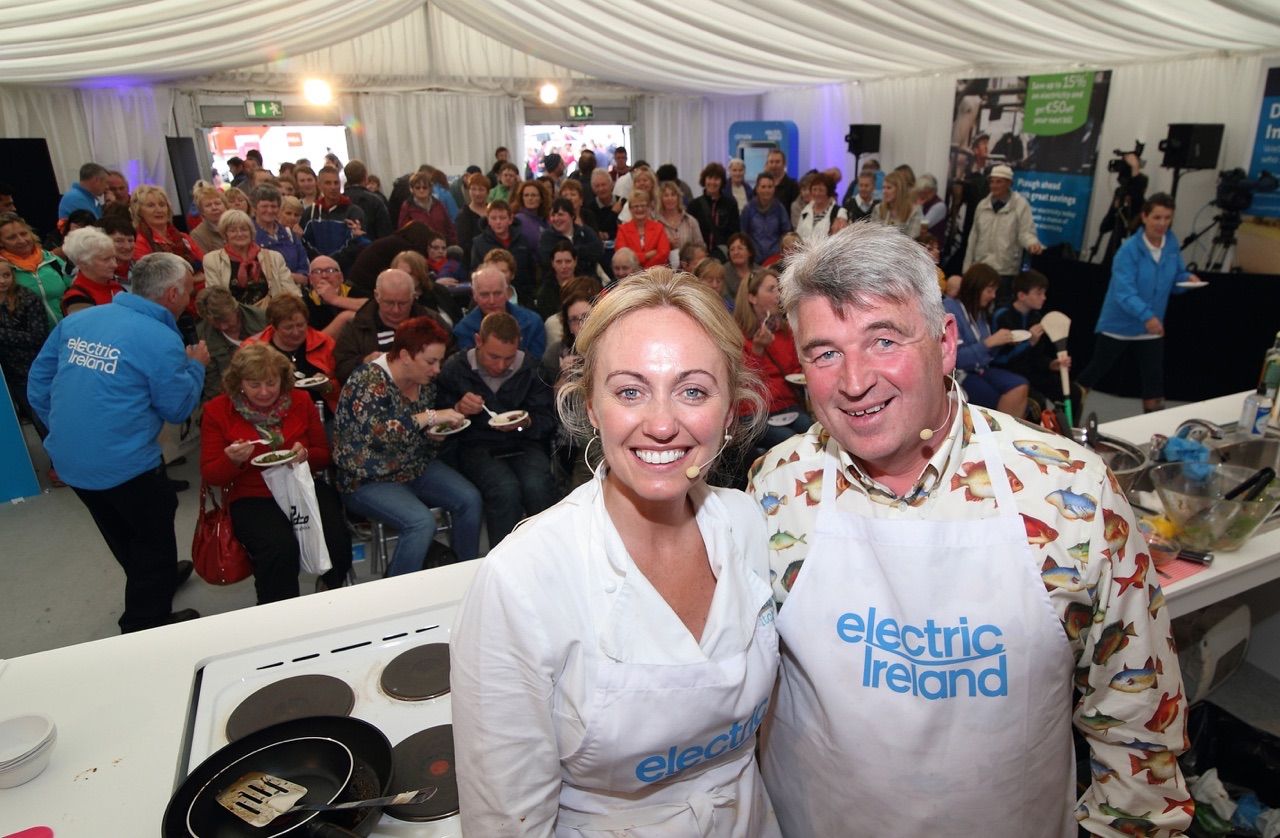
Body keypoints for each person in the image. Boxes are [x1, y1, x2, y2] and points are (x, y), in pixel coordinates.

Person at [747, 222, 1190, 838]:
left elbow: (1137, 713)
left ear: (946, 342)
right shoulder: (777, 484)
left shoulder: (1071, 495)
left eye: (883, 340)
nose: (853, 382)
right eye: (825, 352)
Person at [452, 269, 779, 836]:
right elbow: (507, 819)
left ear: (730, 411)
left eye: (693, 391)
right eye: (630, 391)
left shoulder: (747, 524)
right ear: (591, 406)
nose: (660, 424)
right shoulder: (524, 577)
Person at [28, 253, 209, 632]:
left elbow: (38, 384)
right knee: (154, 534)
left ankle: (152, 579)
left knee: (118, 529)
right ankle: (145, 621)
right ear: (172, 293)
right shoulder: (161, 338)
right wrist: (195, 366)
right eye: (189, 290)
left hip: (71, 461)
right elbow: (176, 409)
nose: (190, 298)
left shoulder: (80, 320)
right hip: (127, 466)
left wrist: (71, 431)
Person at [199, 343, 352, 601]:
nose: (264, 392)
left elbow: (323, 455)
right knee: (279, 549)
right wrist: (233, 461)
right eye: (254, 384)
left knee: (335, 536)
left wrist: (305, 455)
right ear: (238, 383)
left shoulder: (301, 401)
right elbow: (212, 475)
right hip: (251, 495)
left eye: (271, 383)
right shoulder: (217, 411)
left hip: (300, 485)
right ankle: (279, 611)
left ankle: (333, 594)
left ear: (283, 379)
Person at [334, 316, 482, 574]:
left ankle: (464, 575)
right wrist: (432, 417)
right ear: (404, 355)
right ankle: (397, 592)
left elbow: (416, 432)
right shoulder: (368, 380)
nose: (437, 369)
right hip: (367, 479)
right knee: (421, 523)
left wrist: (435, 433)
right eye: (430, 361)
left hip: (413, 466)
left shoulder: (423, 383)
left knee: (470, 499)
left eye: (439, 361)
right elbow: (378, 434)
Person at [437, 311, 559, 546]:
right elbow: (438, 422)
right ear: (478, 341)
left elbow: (549, 419)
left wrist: (527, 422)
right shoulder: (455, 369)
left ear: (519, 345)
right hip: (476, 445)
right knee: (505, 491)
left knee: (538, 486)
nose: (501, 365)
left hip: (525, 442)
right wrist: (458, 410)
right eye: (493, 357)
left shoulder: (531, 368)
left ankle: (547, 552)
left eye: (508, 358)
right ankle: (503, 560)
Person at [1077, 193, 1203, 413]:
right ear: (1144, 217)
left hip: (1151, 328)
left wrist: (1186, 280)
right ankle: (1069, 410)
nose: (1162, 223)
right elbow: (1124, 292)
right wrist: (1147, 317)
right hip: (1119, 326)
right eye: (1157, 217)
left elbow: (1176, 276)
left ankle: (1153, 429)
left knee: (1154, 383)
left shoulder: (1171, 243)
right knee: (1095, 370)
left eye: (1167, 218)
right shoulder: (1128, 251)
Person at [734, 268, 810, 448]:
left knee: (813, 434)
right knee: (794, 444)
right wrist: (758, 349)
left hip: (786, 405)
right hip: (755, 412)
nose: (778, 294)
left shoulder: (785, 331)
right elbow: (743, 382)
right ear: (752, 298)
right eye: (771, 289)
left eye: (779, 289)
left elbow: (794, 370)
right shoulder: (738, 335)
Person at [992, 270, 1084, 416]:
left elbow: (1037, 357)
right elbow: (999, 358)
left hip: (1032, 372)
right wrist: (1029, 343)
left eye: (1044, 293)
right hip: (1009, 372)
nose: (1044, 298)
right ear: (1022, 295)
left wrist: (1051, 364)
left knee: (1074, 393)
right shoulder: (1002, 316)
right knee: (1037, 403)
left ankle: (1066, 433)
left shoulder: (1036, 317)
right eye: (1039, 293)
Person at [943, 263, 1030, 417]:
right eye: (989, 290)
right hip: (956, 375)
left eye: (995, 291)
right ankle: (996, 436)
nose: (993, 296)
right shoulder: (950, 308)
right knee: (994, 397)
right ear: (974, 287)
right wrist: (989, 343)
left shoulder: (979, 312)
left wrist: (1001, 342)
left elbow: (987, 353)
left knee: (1020, 385)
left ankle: (1005, 438)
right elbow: (954, 358)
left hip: (980, 369)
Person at [243, 295, 340, 412]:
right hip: (270, 414)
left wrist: (328, 386)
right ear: (274, 327)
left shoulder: (325, 343)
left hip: (320, 411)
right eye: (288, 327)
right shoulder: (253, 349)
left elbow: (344, 385)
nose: (296, 332)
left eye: (300, 325)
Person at [334, 268, 432, 381]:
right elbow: (341, 370)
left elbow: (447, 360)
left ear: (413, 297)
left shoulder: (431, 322)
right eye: (389, 303)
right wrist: (365, 362)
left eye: (403, 303)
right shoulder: (355, 327)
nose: (396, 310)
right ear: (377, 296)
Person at [963, 164, 1043, 286]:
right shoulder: (982, 205)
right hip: (981, 267)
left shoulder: (1021, 205)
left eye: (998, 182)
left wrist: (1032, 243)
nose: (993, 186)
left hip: (1005, 271)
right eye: (992, 182)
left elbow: (1025, 232)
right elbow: (973, 237)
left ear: (1009, 183)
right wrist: (967, 268)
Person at [203, 210, 299, 307]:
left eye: (244, 229)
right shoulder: (212, 260)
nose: (239, 234)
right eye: (233, 230)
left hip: (270, 314)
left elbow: (290, 290)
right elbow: (215, 299)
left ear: (251, 232)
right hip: (233, 317)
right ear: (225, 234)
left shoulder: (274, 257)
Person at [0, 258, 50, 438]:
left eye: (6, 275)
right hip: (7, 376)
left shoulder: (27, 298)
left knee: (44, 419)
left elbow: (37, 337)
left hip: (31, 369)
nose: (2, 280)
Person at [453, 264, 547, 358]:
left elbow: (536, 365)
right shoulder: (464, 330)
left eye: (497, 293)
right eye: (485, 295)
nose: (492, 301)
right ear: (475, 295)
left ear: (506, 292)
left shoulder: (533, 323)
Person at [195, 287, 269, 402]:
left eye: (225, 320)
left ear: (235, 309)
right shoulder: (202, 337)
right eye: (216, 323)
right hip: (228, 398)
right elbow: (212, 386)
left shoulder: (262, 320)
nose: (223, 327)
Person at [0, 212, 72, 327]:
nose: (21, 240)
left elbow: (73, 288)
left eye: (24, 234)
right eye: (11, 238)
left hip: (67, 331)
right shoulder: (3, 270)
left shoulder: (52, 260)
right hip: (28, 340)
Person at [470, 200, 538, 304]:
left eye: (502, 218)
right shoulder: (479, 243)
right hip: (491, 298)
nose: (498, 222)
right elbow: (475, 272)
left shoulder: (522, 240)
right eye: (493, 218)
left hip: (522, 297)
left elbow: (530, 271)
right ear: (488, 220)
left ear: (510, 219)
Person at [537, 197, 605, 284]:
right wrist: (582, 255)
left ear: (572, 216)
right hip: (556, 284)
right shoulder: (547, 237)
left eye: (560, 214)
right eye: (553, 215)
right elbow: (546, 261)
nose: (556, 219)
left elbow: (598, 251)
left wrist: (574, 252)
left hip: (588, 281)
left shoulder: (585, 231)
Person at [60, 227, 124, 316]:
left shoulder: (116, 287)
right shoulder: (77, 299)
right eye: (106, 259)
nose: (114, 265)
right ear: (83, 264)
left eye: (114, 258)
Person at [252, 185, 310, 284]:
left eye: (273, 206)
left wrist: (282, 276)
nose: (269, 210)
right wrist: (288, 276)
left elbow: (305, 273)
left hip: (294, 293)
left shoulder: (289, 234)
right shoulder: (248, 235)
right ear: (254, 208)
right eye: (264, 206)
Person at [688, 162, 741, 258]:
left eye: (716, 179)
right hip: (699, 256)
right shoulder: (694, 205)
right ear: (704, 180)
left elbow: (735, 232)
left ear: (722, 182)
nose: (712, 182)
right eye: (709, 178)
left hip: (723, 254)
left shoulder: (730, 204)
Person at [613, 188, 671, 270]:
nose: (640, 209)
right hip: (630, 275)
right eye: (636, 206)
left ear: (649, 207)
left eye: (643, 205)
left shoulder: (658, 227)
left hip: (656, 274)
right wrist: (646, 256)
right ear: (630, 209)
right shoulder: (623, 229)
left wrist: (645, 270)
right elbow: (622, 255)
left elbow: (664, 253)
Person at [740, 172, 791, 264]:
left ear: (774, 189)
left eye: (770, 187)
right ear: (757, 189)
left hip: (775, 259)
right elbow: (743, 233)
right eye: (763, 187)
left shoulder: (780, 208)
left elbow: (786, 233)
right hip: (754, 259)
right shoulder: (748, 209)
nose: (766, 190)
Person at [397, 169, 458, 245]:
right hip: (418, 248)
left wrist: (453, 243)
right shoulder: (407, 206)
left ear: (430, 188)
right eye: (418, 187)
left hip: (440, 247)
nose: (421, 190)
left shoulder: (438, 204)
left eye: (425, 187)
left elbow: (449, 227)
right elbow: (402, 231)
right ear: (412, 189)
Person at [794, 172, 849, 245]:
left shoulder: (839, 213)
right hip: (805, 254)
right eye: (814, 189)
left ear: (828, 192)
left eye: (821, 190)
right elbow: (798, 236)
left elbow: (841, 241)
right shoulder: (805, 211)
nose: (817, 193)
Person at [656, 181, 705, 258]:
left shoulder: (690, 221)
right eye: (666, 195)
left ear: (678, 197)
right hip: (664, 267)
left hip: (689, 266)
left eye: (673, 195)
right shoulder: (656, 223)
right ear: (661, 199)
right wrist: (667, 244)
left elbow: (700, 246)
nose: (670, 198)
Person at [872, 169, 925, 238]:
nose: (884, 191)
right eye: (883, 188)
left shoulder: (914, 211)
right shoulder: (878, 209)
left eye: (889, 188)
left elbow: (912, 239)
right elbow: (873, 236)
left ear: (899, 190)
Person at [724, 233, 757, 299]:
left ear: (750, 252)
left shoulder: (760, 272)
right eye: (732, 249)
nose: (736, 252)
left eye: (740, 248)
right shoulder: (723, 272)